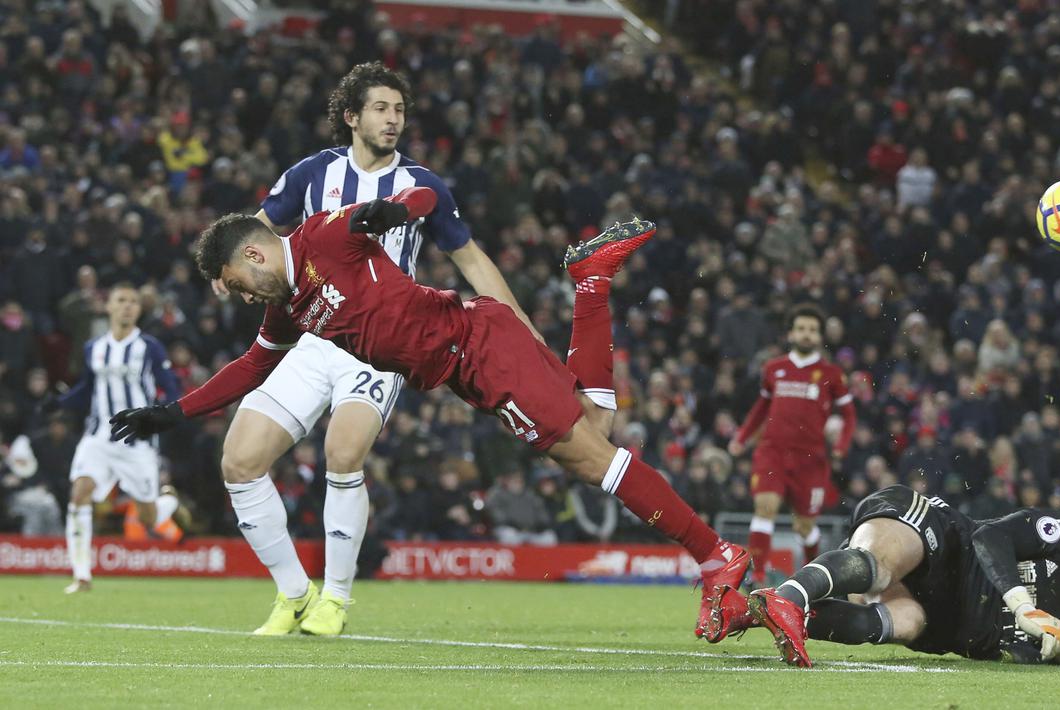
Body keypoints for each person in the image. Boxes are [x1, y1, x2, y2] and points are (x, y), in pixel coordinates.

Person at [109, 193, 749, 637]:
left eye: (238, 283)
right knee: (593, 430)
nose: (244, 297)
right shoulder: (290, 309)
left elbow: (418, 197)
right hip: (466, 367)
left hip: (481, 347)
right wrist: (173, 412)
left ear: (253, 255)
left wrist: (395, 212)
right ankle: (591, 285)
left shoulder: (323, 236)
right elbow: (252, 367)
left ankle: (716, 553)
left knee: (589, 455)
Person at [205, 62, 622, 636]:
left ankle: (337, 600)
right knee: (239, 460)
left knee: (343, 453)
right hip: (311, 337)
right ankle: (292, 595)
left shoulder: (422, 184)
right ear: (351, 117)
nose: (393, 119)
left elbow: (471, 260)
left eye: (399, 110)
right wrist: (224, 275)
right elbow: (252, 234)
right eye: (380, 108)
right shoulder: (310, 175)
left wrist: (523, 329)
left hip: (379, 346)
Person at [702, 485, 1060, 668]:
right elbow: (990, 538)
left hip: (937, 617)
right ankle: (790, 593)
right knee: (878, 567)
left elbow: (1003, 654)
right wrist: (1022, 605)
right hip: (942, 537)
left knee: (903, 623)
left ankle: (752, 609)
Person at [55, 283, 182, 593]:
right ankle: (82, 575)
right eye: (121, 300)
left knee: (148, 518)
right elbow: (86, 389)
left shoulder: (150, 347)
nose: (127, 306)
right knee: (79, 493)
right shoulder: (93, 348)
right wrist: (57, 403)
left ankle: (166, 503)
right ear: (108, 306)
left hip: (136, 442)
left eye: (133, 302)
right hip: (98, 436)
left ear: (138, 310)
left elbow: (172, 389)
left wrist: (156, 421)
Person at [727, 304, 856, 585]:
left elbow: (849, 416)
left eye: (812, 330)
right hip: (772, 451)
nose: (806, 334)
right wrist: (742, 437)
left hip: (810, 459)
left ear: (820, 336)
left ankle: (811, 577)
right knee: (765, 507)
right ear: (791, 334)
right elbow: (761, 408)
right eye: (801, 329)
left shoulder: (832, 374)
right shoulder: (774, 369)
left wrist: (841, 447)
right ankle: (757, 577)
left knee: (804, 525)